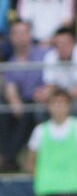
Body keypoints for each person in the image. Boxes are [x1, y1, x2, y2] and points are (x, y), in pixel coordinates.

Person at [0, 21, 46, 172]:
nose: (20, 37)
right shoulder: (12, 62)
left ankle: (7, 158)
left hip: (41, 101)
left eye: (23, 33)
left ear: (30, 35)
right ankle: (9, 158)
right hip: (24, 101)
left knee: (28, 110)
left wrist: (47, 91)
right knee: (5, 110)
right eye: (16, 33)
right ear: (11, 37)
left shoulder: (43, 54)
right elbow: (10, 88)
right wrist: (14, 102)